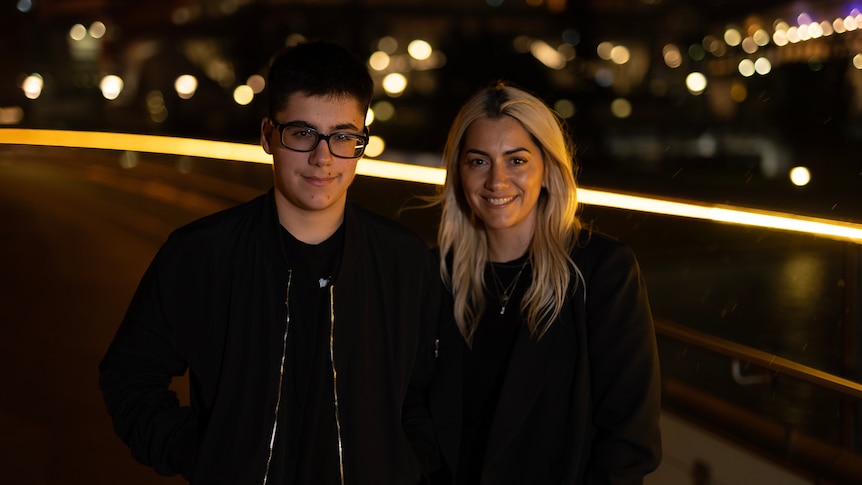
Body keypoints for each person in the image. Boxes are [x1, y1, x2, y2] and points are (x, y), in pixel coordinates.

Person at [99, 40, 440, 484]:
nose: (323, 158)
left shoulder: (404, 260)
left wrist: (405, 464)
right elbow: (130, 373)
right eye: (302, 133)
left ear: (361, 143)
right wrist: (199, 453)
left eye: (342, 137)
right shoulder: (200, 253)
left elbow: (429, 392)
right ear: (267, 136)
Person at [429, 82, 662, 484]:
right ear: (459, 173)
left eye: (516, 160)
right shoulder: (437, 272)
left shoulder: (601, 272)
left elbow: (629, 439)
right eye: (478, 161)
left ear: (548, 170)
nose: (497, 181)